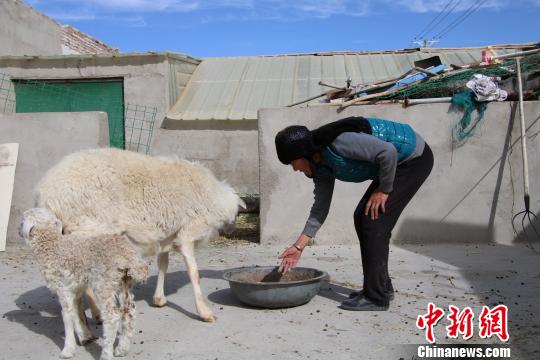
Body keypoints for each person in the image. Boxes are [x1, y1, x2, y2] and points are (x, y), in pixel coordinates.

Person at [274, 116, 433, 311]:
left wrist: (383, 190)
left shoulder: (338, 143)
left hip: (413, 157)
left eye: (293, 162)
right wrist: (298, 247)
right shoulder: (320, 166)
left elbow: (388, 151)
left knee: (373, 221)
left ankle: (376, 297)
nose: (294, 168)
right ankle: (381, 287)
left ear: (303, 154)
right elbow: (320, 208)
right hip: (393, 164)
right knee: (362, 217)